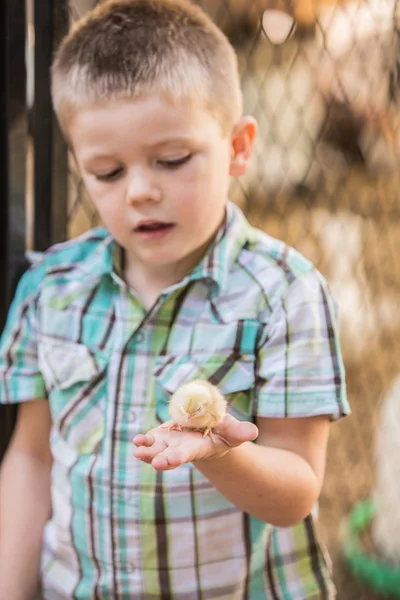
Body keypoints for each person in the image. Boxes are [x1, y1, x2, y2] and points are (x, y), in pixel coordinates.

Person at [0, 1, 350, 598]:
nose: (140, 190)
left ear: (238, 147)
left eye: (171, 160)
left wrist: (220, 455)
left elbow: (296, 492)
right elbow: (32, 459)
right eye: (107, 172)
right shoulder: (50, 288)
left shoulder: (285, 293)